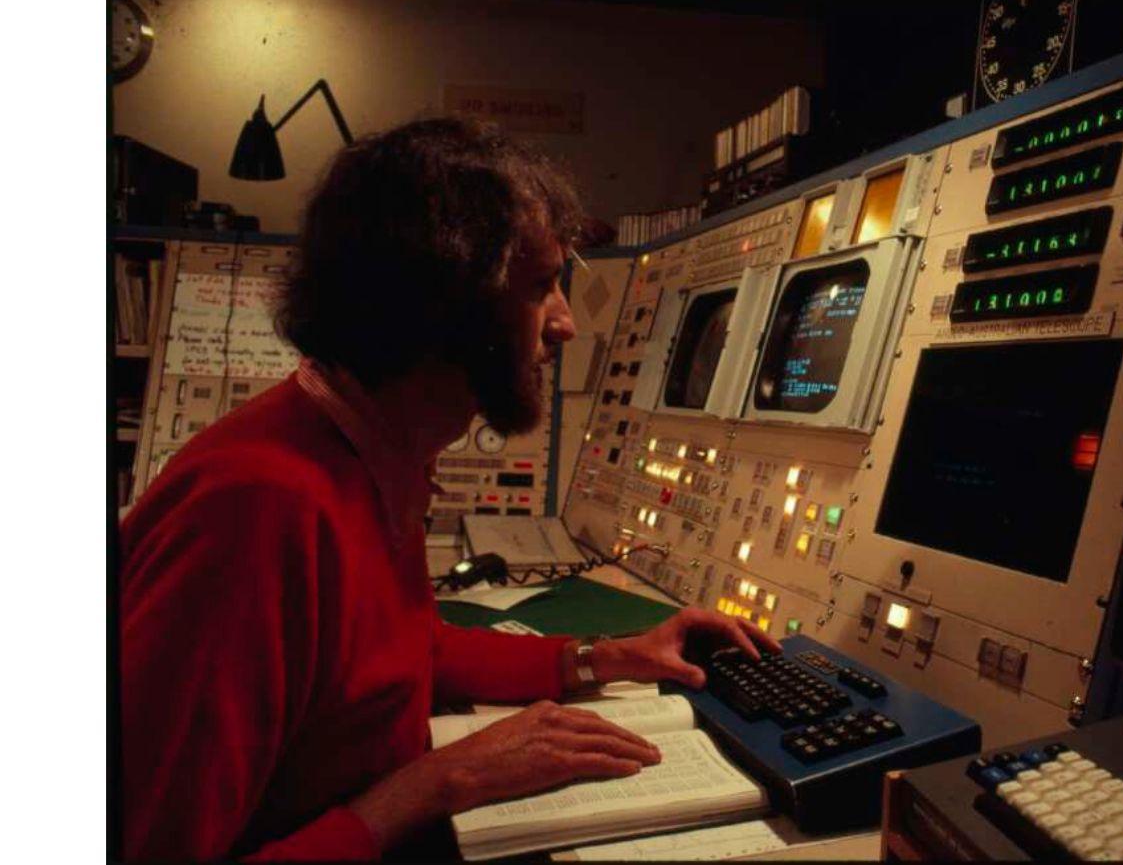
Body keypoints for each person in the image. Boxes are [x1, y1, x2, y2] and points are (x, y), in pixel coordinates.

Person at [117, 117, 779, 860]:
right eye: (539, 289)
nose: (563, 323)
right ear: (441, 306)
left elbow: (407, 656)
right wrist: (435, 783)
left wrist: (605, 658)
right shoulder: (255, 510)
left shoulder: (371, 453)